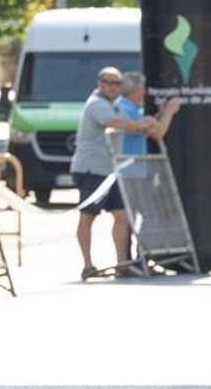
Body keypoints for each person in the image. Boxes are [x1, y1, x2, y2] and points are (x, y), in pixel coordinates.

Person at [69, 66, 160, 281]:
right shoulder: (96, 105)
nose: (112, 87)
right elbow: (115, 124)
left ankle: (122, 264)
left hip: (111, 172)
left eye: (116, 83)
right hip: (91, 169)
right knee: (88, 217)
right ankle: (87, 264)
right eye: (107, 82)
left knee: (122, 216)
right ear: (100, 83)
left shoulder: (114, 106)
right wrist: (139, 125)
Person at [111, 71, 181, 269]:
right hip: (131, 172)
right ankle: (139, 258)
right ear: (136, 90)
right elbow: (157, 132)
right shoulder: (125, 109)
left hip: (134, 171)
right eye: (142, 88)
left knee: (133, 218)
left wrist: (155, 118)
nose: (144, 92)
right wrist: (169, 112)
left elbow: (148, 127)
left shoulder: (128, 108)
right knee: (147, 215)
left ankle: (132, 260)